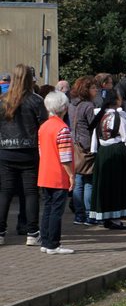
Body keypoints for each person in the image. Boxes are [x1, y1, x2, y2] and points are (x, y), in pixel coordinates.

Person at [0, 64, 46, 245]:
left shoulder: (3, 100)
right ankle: (32, 232)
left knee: (5, 192)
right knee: (30, 193)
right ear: (29, 79)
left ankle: (0, 232)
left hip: (6, 151)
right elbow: (43, 126)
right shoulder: (36, 101)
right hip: (29, 151)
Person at [89, 91, 126, 227]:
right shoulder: (118, 117)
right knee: (116, 185)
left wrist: (95, 152)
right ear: (116, 101)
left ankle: (106, 216)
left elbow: (94, 139)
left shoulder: (100, 116)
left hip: (102, 153)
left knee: (105, 185)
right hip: (116, 153)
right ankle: (115, 218)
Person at [36, 91, 74, 254]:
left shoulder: (43, 127)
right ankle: (53, 244)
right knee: (56, 211)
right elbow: (65, 157)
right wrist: (71, 175)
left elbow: (41, 151)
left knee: (47, 209)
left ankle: (45, 242)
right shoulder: (62, 128)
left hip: (44, 173)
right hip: (58, 175)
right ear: (64, 107)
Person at [68, 76, 98, 225]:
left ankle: (79, 215)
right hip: (86, 146)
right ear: (86, 90)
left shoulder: (71, 105)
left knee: (78, 180)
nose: (96, 90)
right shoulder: (88, 106)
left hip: (74, 144)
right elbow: (93, 125)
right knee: (89, 182)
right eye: (93, 88)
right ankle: (88, 214)